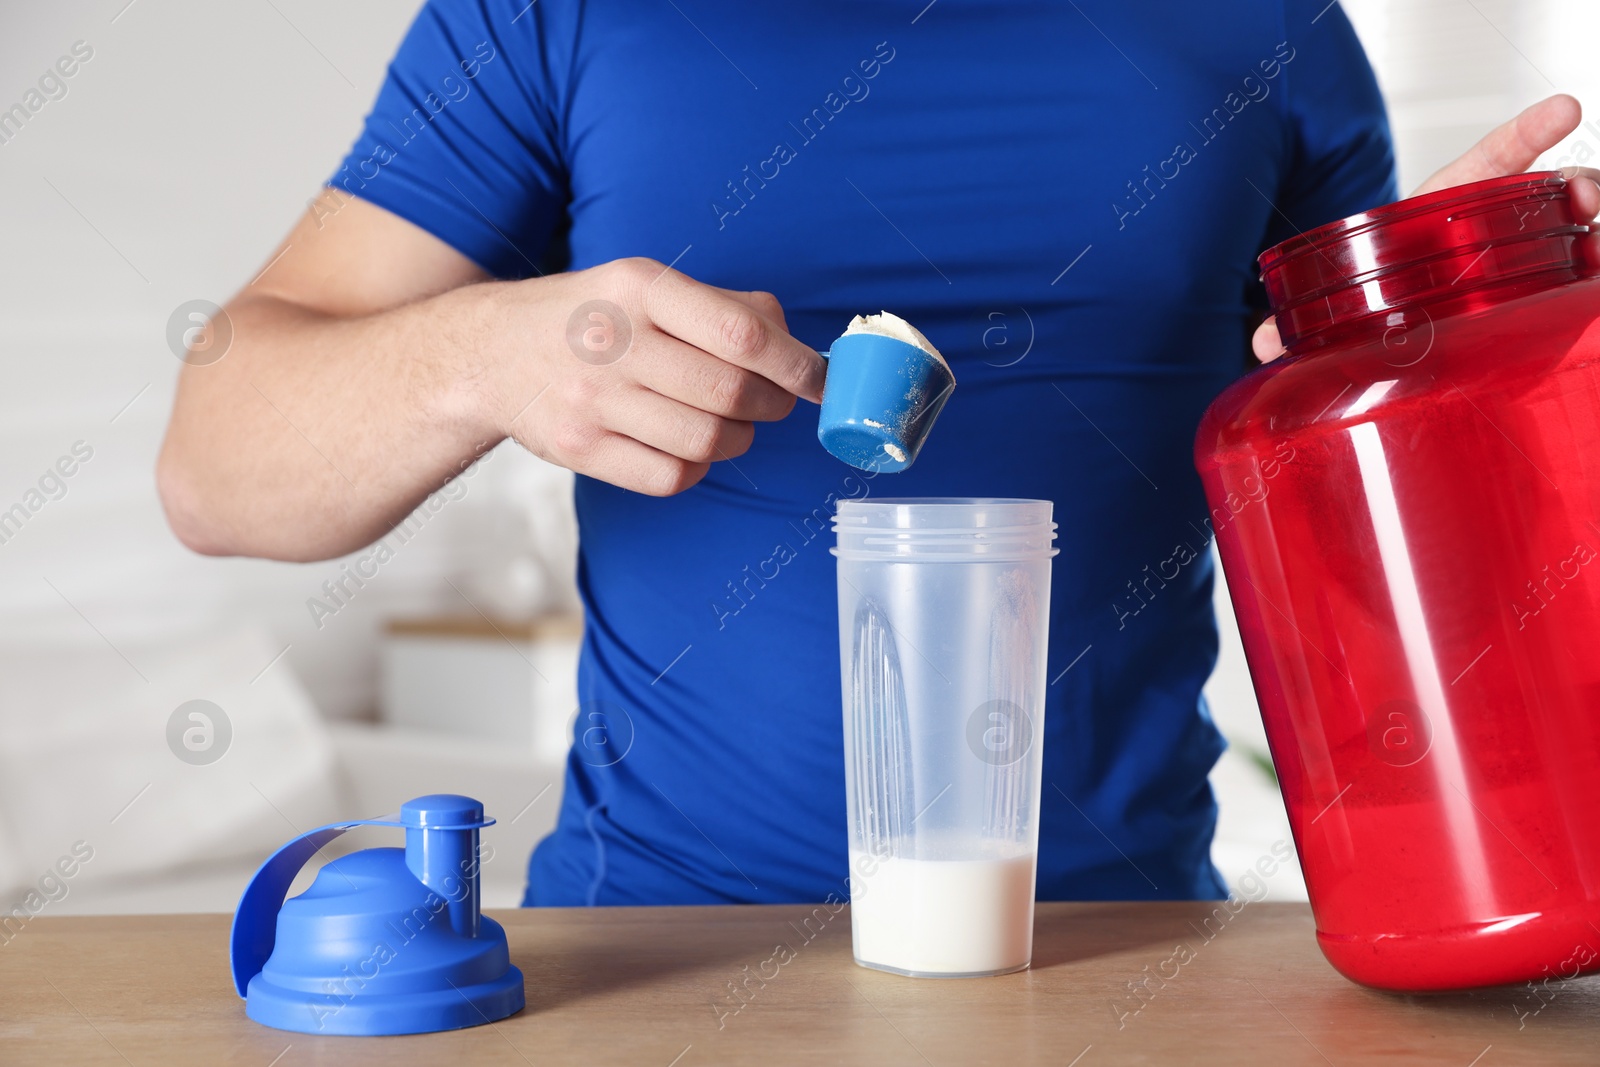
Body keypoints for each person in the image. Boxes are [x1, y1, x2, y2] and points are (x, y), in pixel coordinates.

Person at [158, 0, 1598, 906]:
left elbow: (1394, 600)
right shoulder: (560, 13)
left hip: (1123, 958)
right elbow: (215, 473)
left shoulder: (1268, 28)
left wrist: (1460, 368)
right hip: (661, 963)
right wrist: (484, 354)